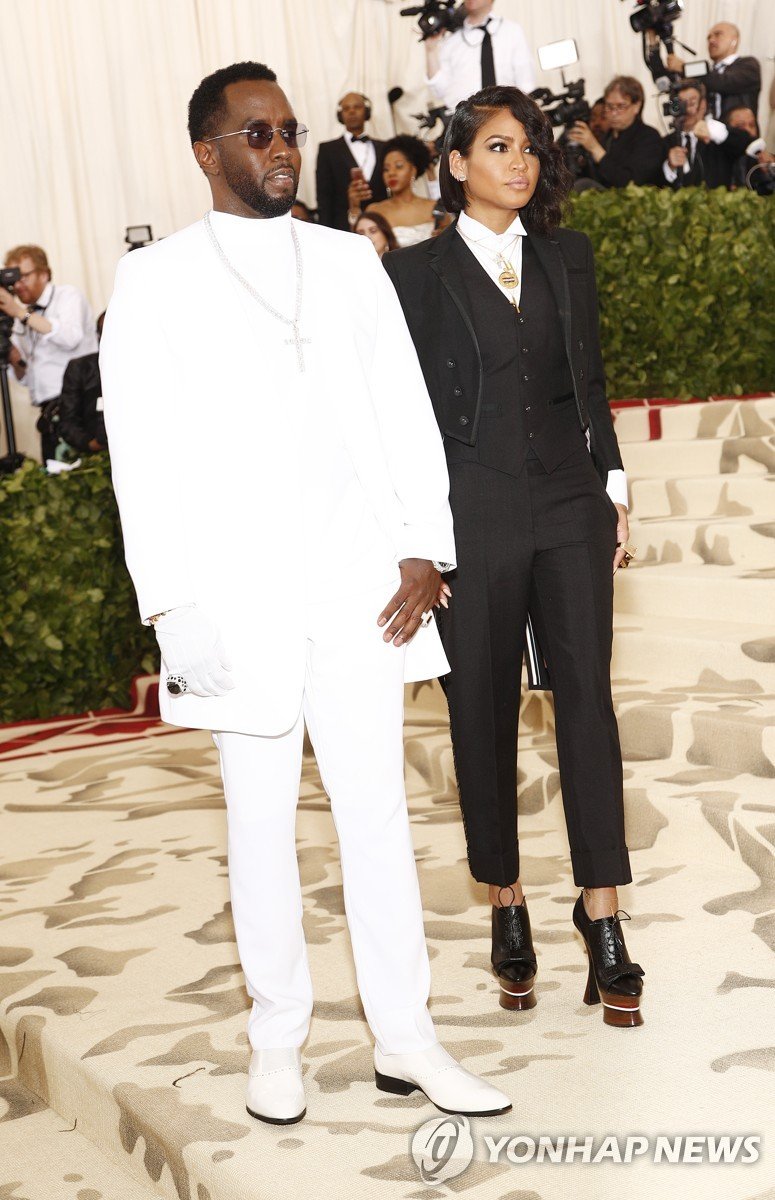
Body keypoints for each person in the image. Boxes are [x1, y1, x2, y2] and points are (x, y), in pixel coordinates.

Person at [100, 60, 511, 1126]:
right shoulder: (156, 281)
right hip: (236, 601)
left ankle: (406, 1040)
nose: (280, 148)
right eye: (255, 134)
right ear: (207, 152)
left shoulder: (344, 262)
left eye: (286, 130)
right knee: (260, 824)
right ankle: (275, 1037)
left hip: (359, 586)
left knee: (376, 813)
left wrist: (426, 546)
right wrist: (173, 605)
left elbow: (401, 405)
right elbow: (138, 454)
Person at [383, 85, 645, 1029]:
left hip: (569, 502)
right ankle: (505, 899)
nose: (519, 161)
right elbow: (399, 421)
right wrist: (416, 538)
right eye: (497, 146)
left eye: (529, 146)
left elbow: (589, 383)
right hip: (471, 515)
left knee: (588, 706)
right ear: (454, 164)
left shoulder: (568, 257)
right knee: (481, 713)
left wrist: (610, 484)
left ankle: (604, 915)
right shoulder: (414, 276)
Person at [0, 245, 97, 462]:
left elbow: (70, 338)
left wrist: (18, 312)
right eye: (12, 279)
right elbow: (25, 377)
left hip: (81, 406)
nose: (17, 284)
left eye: (23, 276)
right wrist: (14, 358)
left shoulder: (67, 296)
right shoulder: (23, 315)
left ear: (44, 274)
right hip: (50, 413)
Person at [425, 0, 534, 114]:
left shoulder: (512, 31)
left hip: (506, 117)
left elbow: (526, 82)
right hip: (464, 121)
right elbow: (440, 90)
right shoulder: (452, 41)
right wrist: (430, 50)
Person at [350, 135, 446, 248]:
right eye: (386, 169)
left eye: (398, 166)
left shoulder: (434, 208)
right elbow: (359, 245)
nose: (391, 173)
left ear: (413, 171)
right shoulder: (374, 210)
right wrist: (354, 207)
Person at [568, 76, 663, 189]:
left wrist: (595, 149)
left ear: (636, 106)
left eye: (620, 106)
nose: (613, 113)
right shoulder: (607, 137)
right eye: (609, 106)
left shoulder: (649, 137)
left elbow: (631, 183)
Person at [655, 22, 761, 121]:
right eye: (709, 37)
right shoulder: (706, 71)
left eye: (718, 35)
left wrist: (684, 68)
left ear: (734, 40)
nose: (711, 40)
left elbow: (723, 81)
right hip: (704, 137)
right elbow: (667, 83)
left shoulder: (748, 65)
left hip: (738, 137)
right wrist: (653, 46)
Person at [315, 92, 387, 231]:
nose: (352, 111)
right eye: (346, 108)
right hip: (343, 227)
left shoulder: (384, 147)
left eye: (357, 107)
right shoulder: (327, 149)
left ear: (366, 111)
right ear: (340, 115)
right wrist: (324, 232)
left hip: (382, 224)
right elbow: (324, 197)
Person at [661, 82, 752, 190]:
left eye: (691, 103)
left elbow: (746, 142)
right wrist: (670, 167)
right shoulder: (665, 143)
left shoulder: (717, 136)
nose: (686, 109)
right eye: (679, 103)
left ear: (703, 105)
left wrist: (716, 132)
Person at [57, 312, 107, 456]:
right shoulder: (80, 368)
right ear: (98, 335)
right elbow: (67, 422)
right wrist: (90, 444)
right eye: (104, 332)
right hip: (94, 455)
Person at [726, 107, 774, 193]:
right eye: (740, 126)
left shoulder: (764, 159)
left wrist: (768, 172)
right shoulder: (716, 157)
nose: (748, 130)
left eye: (752, 125)